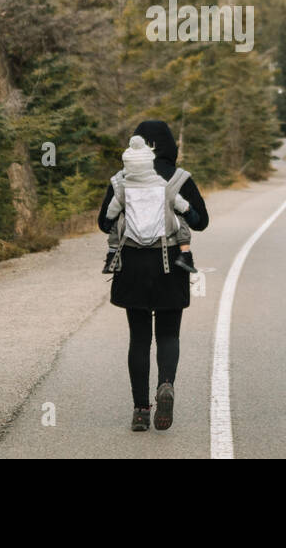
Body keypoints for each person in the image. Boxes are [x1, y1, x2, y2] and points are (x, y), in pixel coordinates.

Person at [97, 120, 208, 431]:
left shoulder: (121, 179)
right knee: (169, 334)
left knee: (139, 338)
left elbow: (104, 224)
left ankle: (140, 410)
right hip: (171, 263)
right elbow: (202, 222)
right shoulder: (180, 178)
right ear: (169, 145)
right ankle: (166, 385)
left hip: (131, 265)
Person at [101, 135, 198, 275]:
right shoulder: (163, 187)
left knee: (118, 221)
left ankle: (112, 255)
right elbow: (180, 203)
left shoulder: (123, 189)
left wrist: (108, 221)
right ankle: (185, 254)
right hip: (162, 233)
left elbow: (113, 209)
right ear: (150, 163)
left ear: (127, 164)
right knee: (180, 219)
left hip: (132, 234)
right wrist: (189, 211)